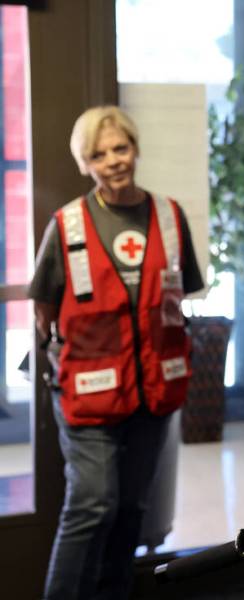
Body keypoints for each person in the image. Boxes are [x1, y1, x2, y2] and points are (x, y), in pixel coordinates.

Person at [32, 105, 204, 600]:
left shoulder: (168, 216)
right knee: (92, 502)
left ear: (136, 149)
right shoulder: (66, 225)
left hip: (152, 388)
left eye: (120, 148)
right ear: (85, 164)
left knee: (130, 505)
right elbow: (44, 307)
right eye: (98, 154)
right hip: (88, 391)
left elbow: (183, 290)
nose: (112, 161)